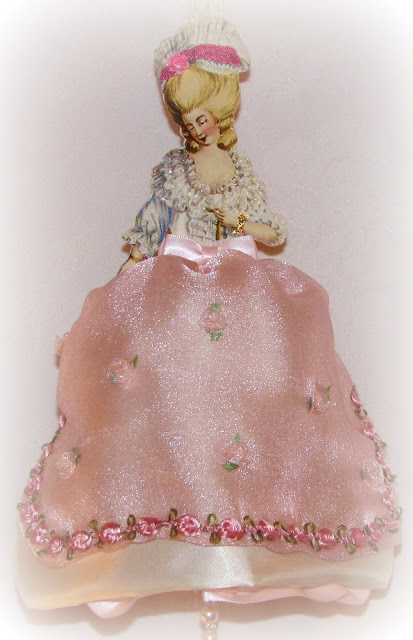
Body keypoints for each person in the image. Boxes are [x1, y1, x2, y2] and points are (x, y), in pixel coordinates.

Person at [16, 14, 401, 630]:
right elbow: (150, 229)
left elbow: (273, 229)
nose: (196, 126)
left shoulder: (240, 172)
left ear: (221, 114)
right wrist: (121, 287)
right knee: (166, 397)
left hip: (243, 287)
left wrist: (240, 225)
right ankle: (135, 548)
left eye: (203, 115)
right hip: (175, 288)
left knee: (261, 386)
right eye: (187, 117)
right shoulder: (174, 172)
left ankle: (275, 546)